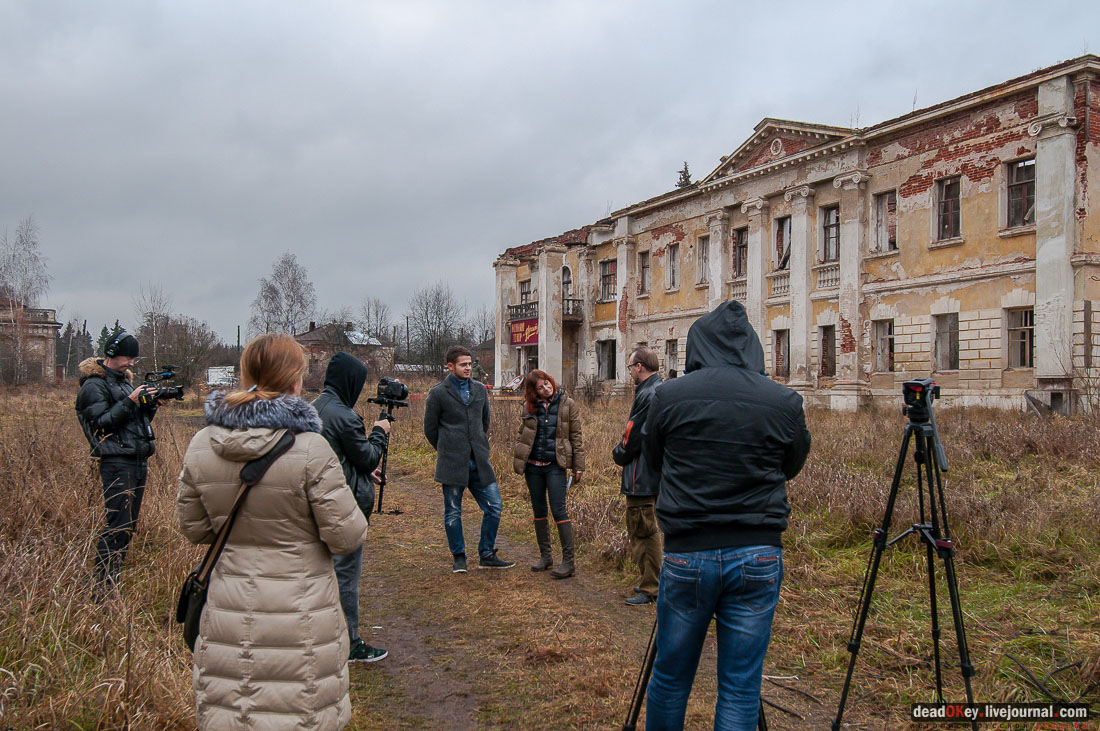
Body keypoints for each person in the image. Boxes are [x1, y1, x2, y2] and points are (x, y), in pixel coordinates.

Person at [177, 334, 368, 730]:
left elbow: (194, 528)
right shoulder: (311, 448)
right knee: (300, 713)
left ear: (247, 374)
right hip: (302, 617)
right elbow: (348, 536)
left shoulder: (201, 444)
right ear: (296, 381)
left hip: (228, 611)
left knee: (234, 714)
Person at [642, 301, 811, 731]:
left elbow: (654, 460)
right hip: (757, 553)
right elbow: (790, 465)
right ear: (753, 346)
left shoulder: (668, 395)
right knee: (739, 687)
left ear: (699, 344)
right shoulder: (784, 401)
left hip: (687, 553)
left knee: (671, 676)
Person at [312, 352, 392, 663]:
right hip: (343, 504)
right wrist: (379, 433)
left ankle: (325, 635)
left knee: (326, 572)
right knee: (346, 574)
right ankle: (350, 642)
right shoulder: (343, 415)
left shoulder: (316, 407)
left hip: (321, 498)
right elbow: (368, 456)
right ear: (350, 382)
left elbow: (334, 456)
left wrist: (361, 470)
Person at [75, 330, 161, 596]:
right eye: (128, 358)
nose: (132, 363)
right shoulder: (94, 385)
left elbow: (135, 422)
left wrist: (151, 404)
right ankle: (102, 587)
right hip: (116, 461)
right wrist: (131, 400)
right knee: (118, 524)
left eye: (135, 359)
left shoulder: (124, 382)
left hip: (137, 459)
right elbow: (101, 424)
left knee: (128, 525)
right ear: (112, 354)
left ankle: (112, 579)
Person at [424, 345, 515, 572]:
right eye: (463, 364)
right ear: (450, 366)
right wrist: (447, 449)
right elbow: (430, 429)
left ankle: (486, 554)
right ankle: (459, 557)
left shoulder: (480, 390)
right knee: (453, 511)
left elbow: (484, 422)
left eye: (469, 364)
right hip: (452, 462)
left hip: (479, 461)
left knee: (494, 506)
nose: (468, 368)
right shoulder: (437, 393)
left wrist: (478, 446)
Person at [511, 369, 584, 579]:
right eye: (541, 386)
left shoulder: (567, 404)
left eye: (548, 383)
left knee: (559, 510)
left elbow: (576, 436)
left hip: (555, 466)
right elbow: (521, 433)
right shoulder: (529, 406)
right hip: (533, 467)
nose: (547, 388)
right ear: (534, 391)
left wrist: (578, 466)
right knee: (539, 510)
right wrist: (519, 455)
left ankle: (568, 562)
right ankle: (546, 557)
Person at [612, 346, 663, 606]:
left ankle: (651, 587)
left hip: (640, 475)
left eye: (631, 366)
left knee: (643, 530)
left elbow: (633, 435)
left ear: (640, 366)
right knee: (646, 528)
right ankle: (650, 580)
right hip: (651, 472)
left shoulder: (648, 393)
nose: (630, 371)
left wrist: (618, 453)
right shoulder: (658, 389)